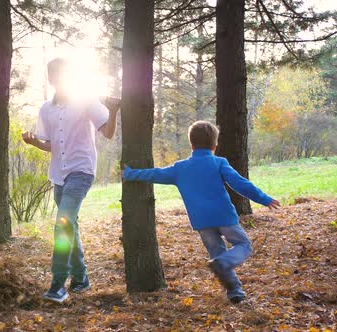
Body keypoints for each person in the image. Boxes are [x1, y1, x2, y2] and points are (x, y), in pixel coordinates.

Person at [122, 120, 280, 303]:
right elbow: (240, 183)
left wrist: (130, 174)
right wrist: (263, 198)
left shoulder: (180, 168)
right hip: (224, 217)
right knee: (243, 245)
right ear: (215, 145)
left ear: (191, 144)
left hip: (202, 222)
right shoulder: (219, 163)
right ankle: (227, 268)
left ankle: (234, 290)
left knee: (217, 253)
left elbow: (154, 174)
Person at [22, 58, 120, 303]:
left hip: (81, 170)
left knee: (62, 223)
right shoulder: (46, 109)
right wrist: (34, 142)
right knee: (69, 225)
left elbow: (107, 133)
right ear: (51, 79)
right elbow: (51, 144)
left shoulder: (87, 100)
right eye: (54, 75)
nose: (59, 79)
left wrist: (115, 110)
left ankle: (58, 284)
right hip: (58, 175)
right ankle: (81, 279)